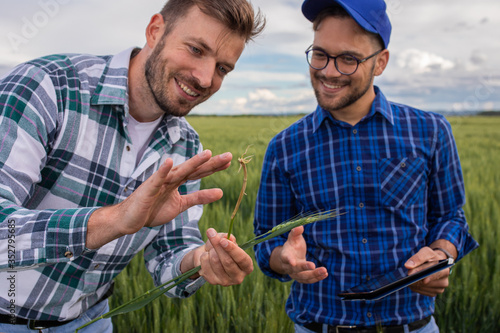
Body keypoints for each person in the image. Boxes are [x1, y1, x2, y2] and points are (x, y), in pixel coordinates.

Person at [0, 0, 265, 331]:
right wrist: (113, 220)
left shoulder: (186, 146)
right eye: (196, 49)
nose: (205, 78)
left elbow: (170, 254)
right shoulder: (48, 87)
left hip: (93, 320)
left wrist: (200, 261)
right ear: (155, 30)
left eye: (223, 68)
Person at [253, 0, 478, 332]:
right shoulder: (285, 147)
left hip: (413, 324)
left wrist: (441, 254)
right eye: (320, 54)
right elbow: (265, 240)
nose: (329, 71)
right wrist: (283, 260)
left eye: (348, 59)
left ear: (381, 62)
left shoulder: (430, 131)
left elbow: (450, 216)